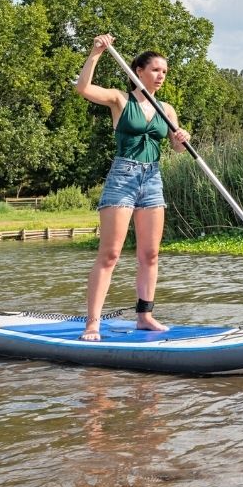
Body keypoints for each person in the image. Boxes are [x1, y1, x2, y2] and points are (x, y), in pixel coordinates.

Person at [74, 33, 191, 341]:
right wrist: (97, 52)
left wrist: (181, 140)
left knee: (150, 254)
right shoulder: (120, 99)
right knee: (110, 254)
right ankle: (92, 323)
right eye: (156, 70)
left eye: (165, 72)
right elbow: (82, 89)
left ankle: (145, 316)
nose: (161, 76)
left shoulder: (167, 109)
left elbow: (177, 149)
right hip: (122, 178)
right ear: (139, 71)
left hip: (153, 179)